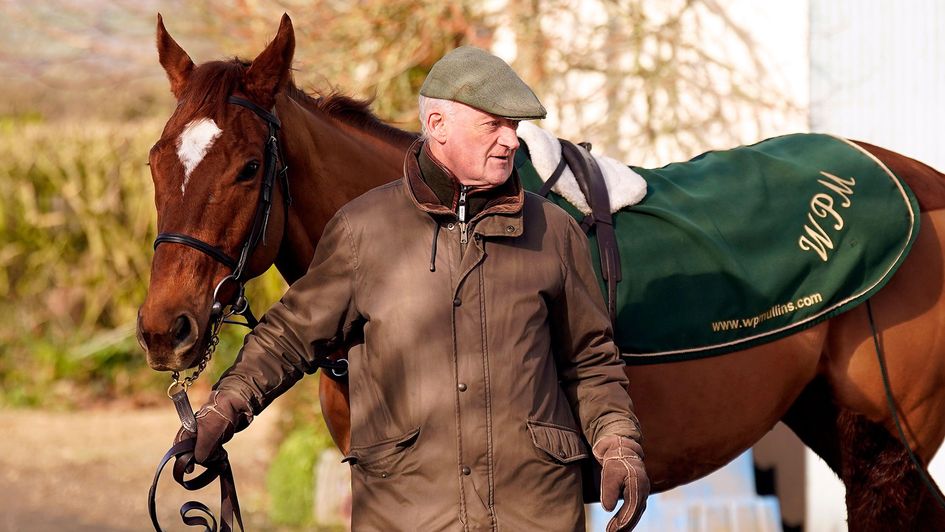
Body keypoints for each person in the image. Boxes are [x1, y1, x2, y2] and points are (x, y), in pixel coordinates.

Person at [182, 45, 649, 531]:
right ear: (439, 126)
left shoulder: (555, 231)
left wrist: (618, 445)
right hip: (405, 515)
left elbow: (591, 358)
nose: (512, 140)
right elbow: (288, 337)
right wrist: (221, 411)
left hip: (533, 512)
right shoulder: (364, 231)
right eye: (494, 125)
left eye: (514, 126)